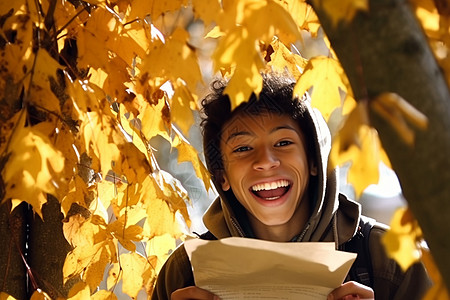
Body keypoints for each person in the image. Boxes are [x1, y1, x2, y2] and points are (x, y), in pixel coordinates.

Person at [151, 73, 431, 300]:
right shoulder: (183, 274)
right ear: (221, 175)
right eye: (243, 148)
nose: (265, 161)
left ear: (313, 161)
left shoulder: (390, 261)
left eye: (283, 143)